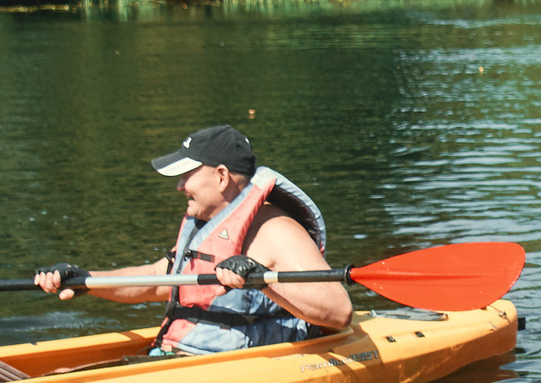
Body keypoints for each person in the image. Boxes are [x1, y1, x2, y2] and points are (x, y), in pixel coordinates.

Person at [33, 125, 350, 353]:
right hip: (183, 356)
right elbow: (162, 281)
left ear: (222, 176)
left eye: (187, 175)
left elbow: (339, 312)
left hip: (234, 369)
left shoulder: (277, 230)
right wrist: (86, 280)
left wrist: (262, 281)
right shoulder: (205, 222)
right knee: (61, 371)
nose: (180, 186)